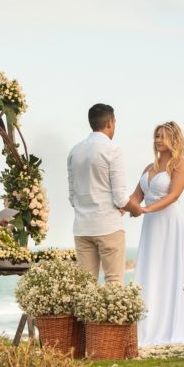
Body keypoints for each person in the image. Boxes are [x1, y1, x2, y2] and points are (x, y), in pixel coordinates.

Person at [130, 121, 184, 346]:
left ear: (174, 139)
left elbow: (172, 195)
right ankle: (148, 327)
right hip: (151, 224)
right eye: (156, 136)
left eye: (162, 136)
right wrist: (126, 206)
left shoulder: (180, 165)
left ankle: (173, 326)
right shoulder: (148, 168)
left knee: (172, 270)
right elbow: (136, 196)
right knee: (150, 269)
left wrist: (145, 210)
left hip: (169, 222)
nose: (158, 140)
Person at [67, 103, 142, 284]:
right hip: (108, 226)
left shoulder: (74, 151)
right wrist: (135, 209)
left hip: (82, 227)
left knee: (85, 286)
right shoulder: (113, 150)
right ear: (110, 122)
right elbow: (120, 197)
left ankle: (85, 314)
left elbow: (72, 197)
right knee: (114, 282)